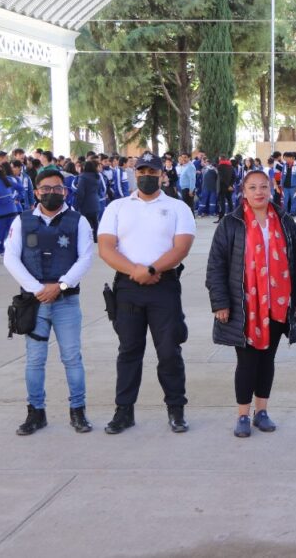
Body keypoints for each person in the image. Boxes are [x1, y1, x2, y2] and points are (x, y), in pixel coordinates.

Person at [97, 152, 197, 435]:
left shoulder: (178, 208)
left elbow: (181, 248)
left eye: (152, 172)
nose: (146, 177)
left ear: (161, 175)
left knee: (168, 351)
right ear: (134, 173)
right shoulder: (117, 207)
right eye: (141, 172)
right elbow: (105, 247)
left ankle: (176, 410)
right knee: (129, 351)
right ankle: (124, 411)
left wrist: (151, 270)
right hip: (128, 288)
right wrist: (135, 271)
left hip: (163, 286)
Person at [206, 170, 296, 437]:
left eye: (263, 187)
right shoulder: (231, 223)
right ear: (243, 191)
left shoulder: (284, 220)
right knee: (247, 361)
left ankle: (261, 411)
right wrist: (220, 303)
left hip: (278, 303)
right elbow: (216, 266)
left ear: (271, 190)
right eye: (253, 187)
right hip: (245, 305)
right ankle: (242, 414)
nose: (259, 192)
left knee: (267, 359)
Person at [3, 169, 95, 435]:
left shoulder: (78, 221)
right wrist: (37, 290)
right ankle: (36, 413)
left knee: (72, 358)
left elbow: (85, 258)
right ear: (36, 192)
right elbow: (11, 258)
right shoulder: (22, 221)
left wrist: (61, 285)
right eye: (46, 189)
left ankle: (78, 411)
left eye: (57, 189)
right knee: (34, 360)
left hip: (66, 301)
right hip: (34, 303)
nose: (52, 193)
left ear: (65, 191)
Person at [74, 159, 104, 241]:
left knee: (86, 224)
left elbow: (80, 193)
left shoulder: (83, 177)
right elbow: (99, 190)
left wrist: (77, 205)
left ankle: (88, 239)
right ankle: (96, 239)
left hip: (86, 204)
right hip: (96, 202)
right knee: (95, 222)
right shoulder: (97, 176)